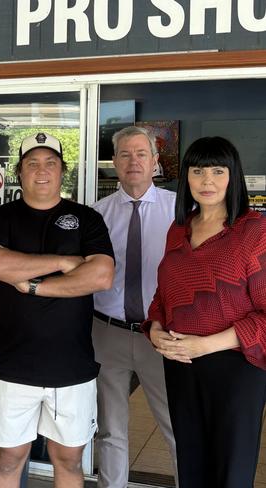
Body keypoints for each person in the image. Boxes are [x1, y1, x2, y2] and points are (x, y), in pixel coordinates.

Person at [0, 133, 115, 488]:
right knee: (9, 460)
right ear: (19, 172)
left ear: (62, 172)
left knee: (69, 461)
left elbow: (100, 275)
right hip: (12, 365)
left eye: (51, 163)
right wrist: (64, 262)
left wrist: (34, 284)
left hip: (71, 366)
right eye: (32, 164)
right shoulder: (1, 218)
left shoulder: (86, 219)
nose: (42, 171)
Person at [146, 136, 266, 488]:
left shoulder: (254, 231)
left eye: (218, 170)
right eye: (198, 171)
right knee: (191, 463)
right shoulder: (178, 229)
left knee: (230, 470)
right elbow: (163, 296)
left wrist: (204, 345)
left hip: (236, 366)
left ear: (233, 176)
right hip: (182, 366)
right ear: (187, 178)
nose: (207, 181)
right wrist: (154, 328)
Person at [91, 126, 177, 487]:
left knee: (176, 426)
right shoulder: (96, 215)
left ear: (155, 162)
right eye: (125, 154)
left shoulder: (181, 212)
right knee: (110, 428)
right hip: (107, 331)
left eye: (141, 153)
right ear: (114, 162)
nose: (133, 161)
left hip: (162, 336)